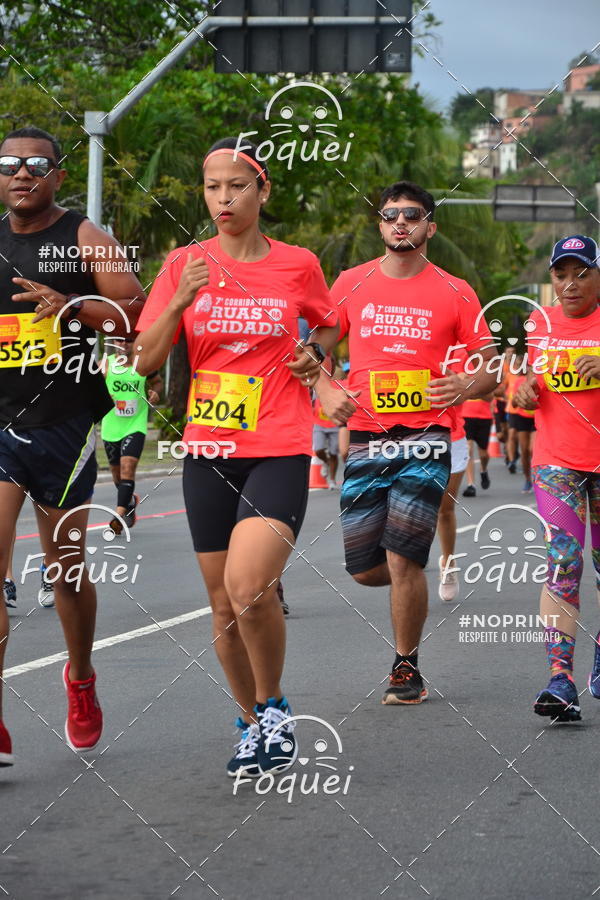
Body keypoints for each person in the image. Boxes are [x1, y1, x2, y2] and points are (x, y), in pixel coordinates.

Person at [134, 138, 338, 777]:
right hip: (209, 450)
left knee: (249, 589)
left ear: (262, 191)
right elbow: (143, 361)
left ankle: (274, 708)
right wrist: (175, 301)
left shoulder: (298, 265)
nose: (223, 198)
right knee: (222, 604)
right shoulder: (185, 263)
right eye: (212, 187)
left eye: (236, 186)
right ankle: (250, 724)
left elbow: (328, 324)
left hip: (277, 444)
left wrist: (317, 356)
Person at [315, 180, 498, 705]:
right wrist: (324, 386)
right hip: (368, 438)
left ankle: (406, 667)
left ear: (430, 227)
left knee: (401, 559)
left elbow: (490, 367)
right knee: (366, 569)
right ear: (380, 226)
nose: (400, 223)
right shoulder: (351, 282)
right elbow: (315, 348)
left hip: (426, 437)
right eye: (391, 215)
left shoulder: (456, 289)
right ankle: (411, 578)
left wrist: (465, 384)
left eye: (412, 215)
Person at [0, 126, 145, 766]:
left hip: (64, 424)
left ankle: (80, 678)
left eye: (36, 164)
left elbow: (133, 313)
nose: (21, 173)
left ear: (58, 174)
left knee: (65, 571)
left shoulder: (83, 237)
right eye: (8, 164)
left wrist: (70, 305)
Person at [514, 234, 600, 722]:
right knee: (564, 560)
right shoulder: (539, 323)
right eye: (561, 274)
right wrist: (526, 391)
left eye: (581, 272)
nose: (570, 284)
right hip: (556, 461)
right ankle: (559, 677)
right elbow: (536, 380)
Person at [101, 338, 162, 533]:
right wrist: (102, 396)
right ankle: (129, 502)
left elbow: (157, 382)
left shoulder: (144, 364)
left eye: (128, 340)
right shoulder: (106, 364)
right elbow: (91, 388)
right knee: (117, 474)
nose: (124, 344)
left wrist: (154, 393)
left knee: (128, 467)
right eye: (120, 340)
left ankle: (118, 514)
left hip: (135, 424)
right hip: (111, 425)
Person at [437, 403, 468, 602]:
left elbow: (487, 390)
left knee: (444, 510)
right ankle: (408, 562)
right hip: (407, 436)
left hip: (451, 437)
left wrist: (466, 385)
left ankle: (448, 563)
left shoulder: (462, 368)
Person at [506, 355, 535, 492]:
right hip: (522, 417)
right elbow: (513, 403)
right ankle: (528, 479)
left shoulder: (540, 379)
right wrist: (520, 399)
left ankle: (537, 479)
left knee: (531, 449)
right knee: (524, 451)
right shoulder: (519, 381)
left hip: (537, 418)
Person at [313, 354, 340, 489]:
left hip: (335, 424)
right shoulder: (315, 382)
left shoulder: (338, 383)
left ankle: (332, 480)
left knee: (334, 453)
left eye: (329, 365)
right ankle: (326, 461)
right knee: (318, 450)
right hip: (319, 424)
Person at [461, 395, 494, 497]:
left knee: (483, 454)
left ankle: (483, 470)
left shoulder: (485, 378)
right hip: (466, 416)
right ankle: (471, 485)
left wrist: (476, 390)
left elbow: (491, 396)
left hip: (484, 417)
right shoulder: (463, 378)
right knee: (468, 449)